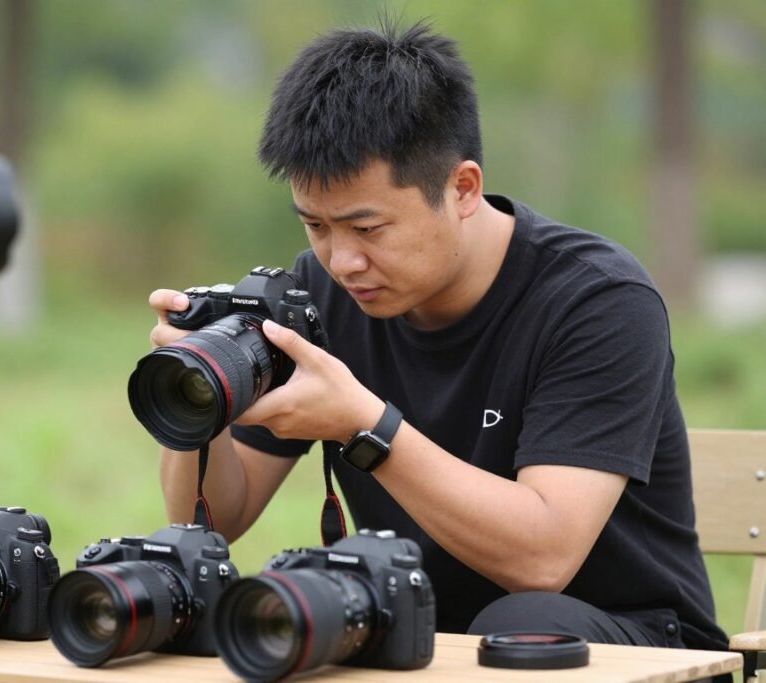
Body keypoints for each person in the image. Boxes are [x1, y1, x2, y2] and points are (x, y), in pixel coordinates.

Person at [148, 22, 728, 652]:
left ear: (462, 189)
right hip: (422, 638)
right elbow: (212, 522)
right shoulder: (316, 297)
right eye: (315, 225)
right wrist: (195, 383)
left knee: (517, 630)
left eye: (367, 229)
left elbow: (544, 560)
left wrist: (363, 426)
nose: (341, 262)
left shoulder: (596, 301)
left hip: (623, 639)